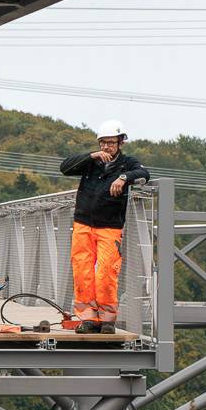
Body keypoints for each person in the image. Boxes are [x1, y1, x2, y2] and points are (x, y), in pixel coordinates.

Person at [58, 120, 149, 334]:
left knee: (106, 272)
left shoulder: (127, 163)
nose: (107, 147)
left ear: (120, 143)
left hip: (109, 226)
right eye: (103, 143)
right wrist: (92, 156)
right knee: (82, 271)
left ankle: (107, 320)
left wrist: (123, 178)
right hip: (83, 224)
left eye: (111, 143)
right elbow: (65, 168)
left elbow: (144, 174)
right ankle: (88, 318)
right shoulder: (92, 161)